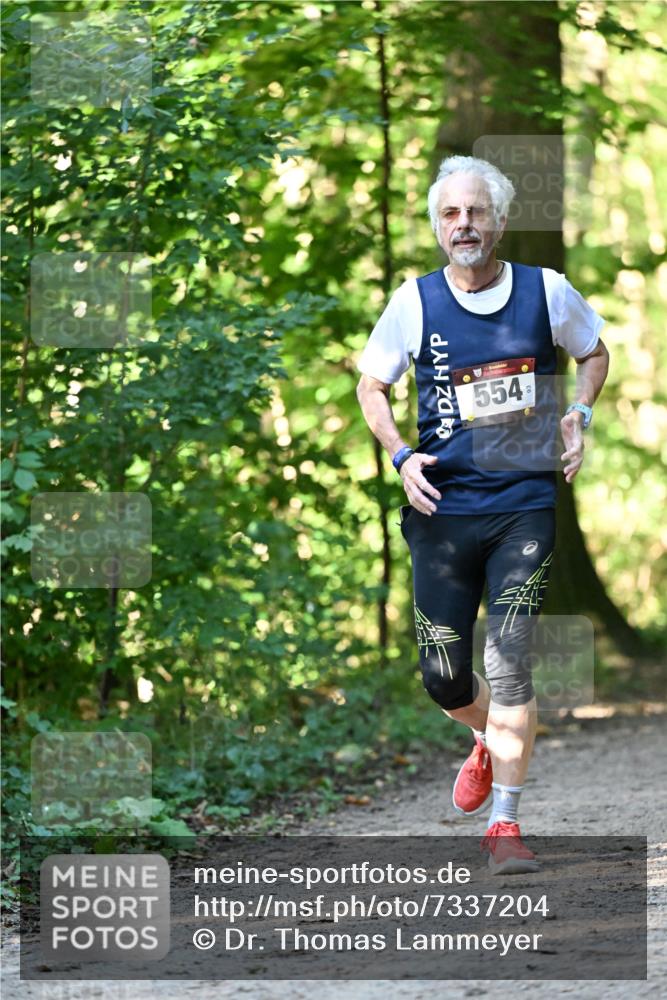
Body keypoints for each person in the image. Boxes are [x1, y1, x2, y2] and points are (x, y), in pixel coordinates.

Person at [355, 155, 609, 875]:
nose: (463, 224)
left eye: (475, 212)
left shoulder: (545, 290)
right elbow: (371, 386)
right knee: (442, 676)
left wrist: (579, 413)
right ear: (438, 227)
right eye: (450, 214)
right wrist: (401, 455)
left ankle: (504, 825)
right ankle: (484, 737)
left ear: (498, 221)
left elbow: (594, 353)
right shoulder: (414, 302)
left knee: (510, 658)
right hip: (442, 510)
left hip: (523, 504)